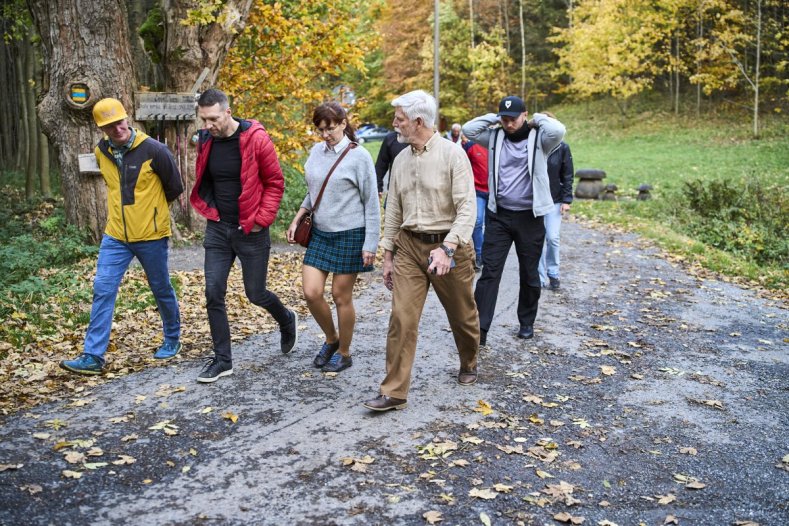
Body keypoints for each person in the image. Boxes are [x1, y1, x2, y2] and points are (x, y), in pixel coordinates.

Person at [362, 90, 479, 412]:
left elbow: (467, 209)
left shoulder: (453, 155)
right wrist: (387, 255)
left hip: (448, 247)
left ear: (417, 121)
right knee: (401, 317)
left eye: (399, 119)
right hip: (410, 248)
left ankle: (469, 360)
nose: (394, 124)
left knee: (463, 316)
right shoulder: (400, 159)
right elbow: (394, 212)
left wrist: (448, 248)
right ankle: (394, 391)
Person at [60, 98, 183, 375]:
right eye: (109, 125)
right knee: (103, 288)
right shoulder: (101, 151)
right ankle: (93, 356)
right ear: (101, 127)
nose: (117, 129)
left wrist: (150, 214)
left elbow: (174, 188)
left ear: (127, 118)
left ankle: (172, 338)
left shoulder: (155, 150)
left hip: (151, 234)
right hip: (115, 235)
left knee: (160, 288)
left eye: (119, 121)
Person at [190, 88, 297, 383]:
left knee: (255, 294)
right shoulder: (206, 141)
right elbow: (206, 179)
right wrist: (209, 208)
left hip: (251, 229)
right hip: (218, 228)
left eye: (213, 119)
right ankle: (223, 360)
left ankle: (286, 319)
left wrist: (262, 220)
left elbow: (275, 182)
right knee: (213, 292)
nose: (208, 126)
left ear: (227, 111)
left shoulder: (256, 139)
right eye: (203, 120)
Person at [463, 96, 565, 346]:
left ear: (524, 116)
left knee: (529, 272)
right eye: (504, 119)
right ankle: (480, 328)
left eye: (513, 119)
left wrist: (536, 119)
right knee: (490, 272)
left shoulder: (540, 139)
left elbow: (559, 129)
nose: (508, 124)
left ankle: (527, 322)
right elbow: (468, 130)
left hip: (530, 217)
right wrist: (494, 117)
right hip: (499, 215)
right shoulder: (495, 137)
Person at [286, 102, 380, 373]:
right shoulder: (316, 151)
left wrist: (370, 243)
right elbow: (314, 191)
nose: (325, 134)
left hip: (350, 234)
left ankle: (345, 352)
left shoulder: (359, 156)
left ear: (342, 123)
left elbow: (371, 203)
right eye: (320, 130)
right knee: (311, 292)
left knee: (341, 296)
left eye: (330, 128)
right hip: (320, 233)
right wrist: (297, 217)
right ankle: (331, 338)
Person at [538, 112, 574, 290]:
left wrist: (567, 200)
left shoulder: (563, 148)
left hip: (555, 200)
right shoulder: (534, 146)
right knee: (537, 239)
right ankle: (540, 276)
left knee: (552, 237)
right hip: (535, 202)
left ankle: (553, 272)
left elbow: (567, 174)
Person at [461, 133, 489, 271]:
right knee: (477, 221)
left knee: (492, 225)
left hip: (495, 192)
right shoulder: (470, 146)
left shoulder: (497, 145)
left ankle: (489, 255)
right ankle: (479, 254)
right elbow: (463, 166)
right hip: (477, 190)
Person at [374, 131, 408, 198]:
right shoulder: (391, 138)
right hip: (394, 194)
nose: (394, 123)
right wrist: (377, 187)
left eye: (401, 120)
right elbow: (381, 165)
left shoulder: (429, 139)